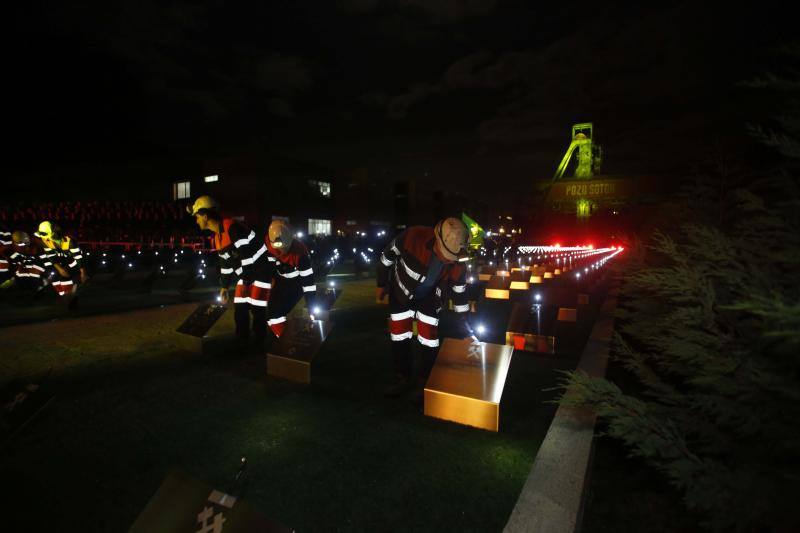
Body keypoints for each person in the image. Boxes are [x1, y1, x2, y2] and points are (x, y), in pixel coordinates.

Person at [376, 217, 474, 396]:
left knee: (429, 339)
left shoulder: (458, 261)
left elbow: (460, 294)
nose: (448, 259)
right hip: (401, 292)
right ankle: (402, 377)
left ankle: (425, 382)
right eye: (446, 254)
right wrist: (381, 284)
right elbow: (386, 258)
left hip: (430, 298)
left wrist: (465, 327)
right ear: (438, 238)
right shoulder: (412, 236)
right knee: (399, 336)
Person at [188, 196, 273, 348]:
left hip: (261, 271)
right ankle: (242, 338)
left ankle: (260, 340)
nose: (196, 220)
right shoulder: (218, 237)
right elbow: (225, 264)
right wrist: (224, 286)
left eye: (197, 217)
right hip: (247, 274)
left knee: (256, 306)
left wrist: (246, 280)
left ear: (205, 216)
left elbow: (247, 254)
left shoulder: (231, 228)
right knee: (240, 306)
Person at [263, 220, 318, 338]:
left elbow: (308, 283)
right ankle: (286, 338)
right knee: (270, 314)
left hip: (296, 285)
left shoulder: (301, 254)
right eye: (279, 248)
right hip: (280, 282)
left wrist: (311, 306)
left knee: (276, 313)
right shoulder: (267, 248)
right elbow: (268, 271)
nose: (283, 251)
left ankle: (289, 340)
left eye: (286, 247)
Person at [34, 221, 87, 297]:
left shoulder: (69, 241)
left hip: (74, 264)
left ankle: (73, 292)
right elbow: (50, 256)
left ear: (54, 233)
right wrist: (60, 269)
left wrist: (83, 273)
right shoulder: (45, 240)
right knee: (60, 280)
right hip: (61, 263)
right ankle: (65, 294)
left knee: (75, 283)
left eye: (44, 234)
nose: (42, 237)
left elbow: (78, 257)